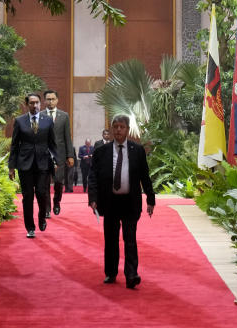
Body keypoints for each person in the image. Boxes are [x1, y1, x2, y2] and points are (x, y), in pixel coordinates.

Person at [88, 115, 155, 288]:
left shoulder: (137, 150)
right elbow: (93, 176)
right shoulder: (101, 151)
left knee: (130, 239)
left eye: (122, 127)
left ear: (127, 129)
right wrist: (93, 198)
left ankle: (131, 275)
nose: (118, 130)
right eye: (115, 126)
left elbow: (144, 177)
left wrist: (150, 199)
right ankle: (110, 273)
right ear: (111, 129)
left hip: (130, 202)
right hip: (110, 202)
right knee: (110, 239)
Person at [8, 93, 58, 238]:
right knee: (28, 196)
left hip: (43, 164)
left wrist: (56, 160)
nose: (35, 105)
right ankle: (30, 227)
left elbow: (52, 143)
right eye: (32, 103)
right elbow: (14, 145)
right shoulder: (19, 121)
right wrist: (11, 167)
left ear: (40, 104)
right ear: (27, 105)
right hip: (25, 165)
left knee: (42, 194)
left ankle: (42, 216)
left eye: (37, 103)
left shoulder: (48, 121)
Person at [44, 90, 76, 216]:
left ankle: (56, 202)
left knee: (58, 182)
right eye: (48, 99)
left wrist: (70, 155)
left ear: (57, 100)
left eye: (53, 99)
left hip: (60, 155)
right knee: (45, 183)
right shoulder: (40, 115)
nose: (50, 101)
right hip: (44, 156)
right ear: (44, 101)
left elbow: (67, 137)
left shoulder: (64, 116)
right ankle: (46, 208)